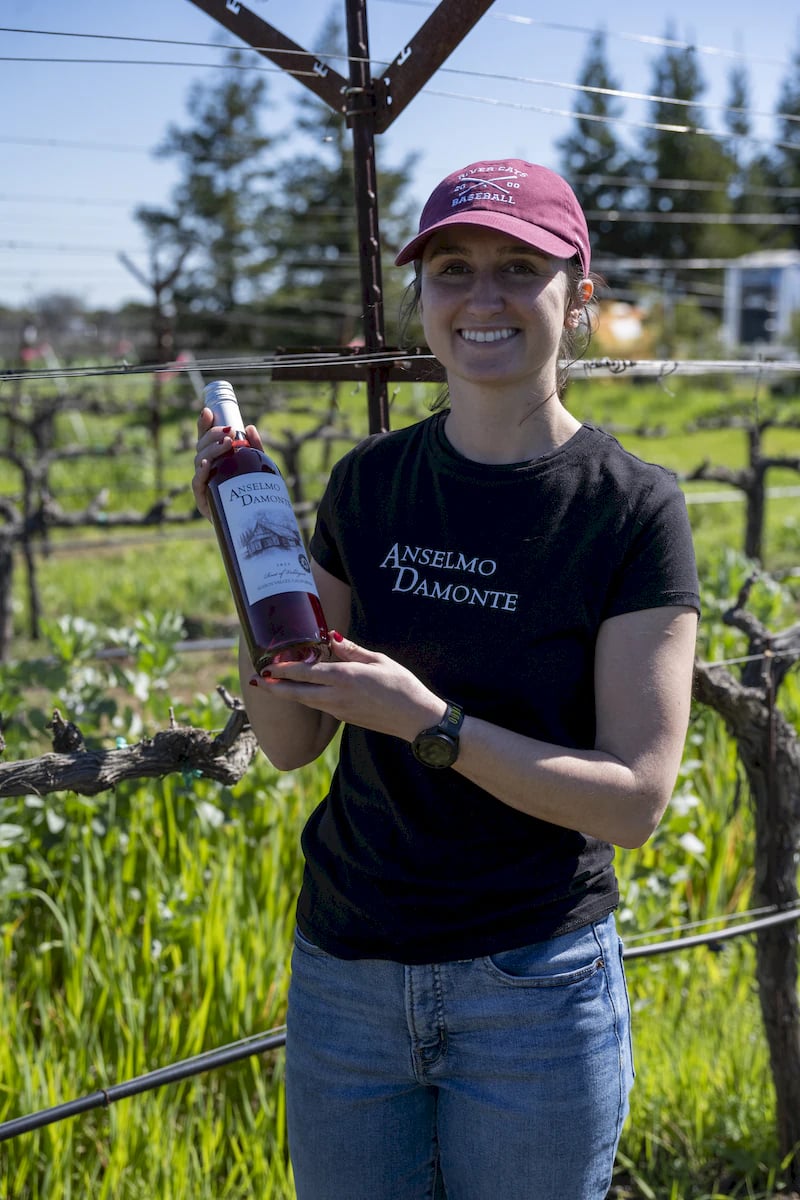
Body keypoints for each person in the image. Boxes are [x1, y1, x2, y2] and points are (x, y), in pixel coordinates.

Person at [192, 159, 700, 1200]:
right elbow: (290, 743)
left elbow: (635, 802)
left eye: (520, 269)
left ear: (580, 293)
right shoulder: (371, 485)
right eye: (453, 268)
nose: (483, 296)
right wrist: (250, 556)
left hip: (531, 988)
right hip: (345, 976)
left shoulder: (629, 509)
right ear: (420, 296)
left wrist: (428, 721)